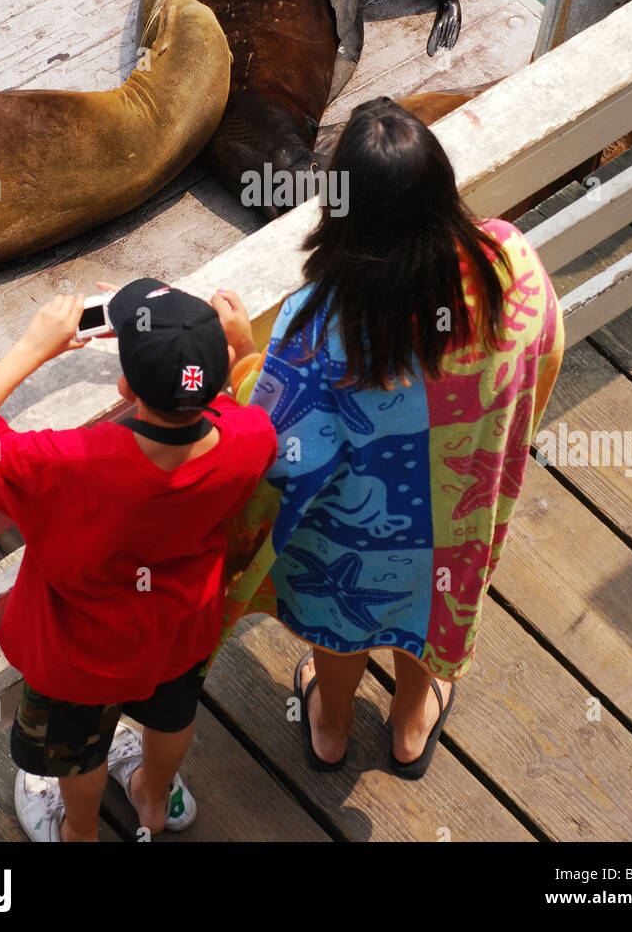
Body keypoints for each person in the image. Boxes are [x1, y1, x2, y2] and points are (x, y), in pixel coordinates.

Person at [211, 97, 564, 779]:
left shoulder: (320, 326)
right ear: (441, 190)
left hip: (351, 542)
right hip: (456, 520)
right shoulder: (508, 266)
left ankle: (333, 727)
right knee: (427, 607)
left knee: (340, 627)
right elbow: (543, 350)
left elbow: (277, 449)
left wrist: (240, 365)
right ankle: (410, 726)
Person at [0, 279, 277, 841]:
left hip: (81, 659)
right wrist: (204, 346)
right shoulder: (250, 436)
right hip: (181, 630)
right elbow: (222, 404)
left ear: (123, 385)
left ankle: (80, 832)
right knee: (172, 716)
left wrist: (32, 347)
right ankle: (154, 799)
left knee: (79, 754)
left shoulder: (71, 465)